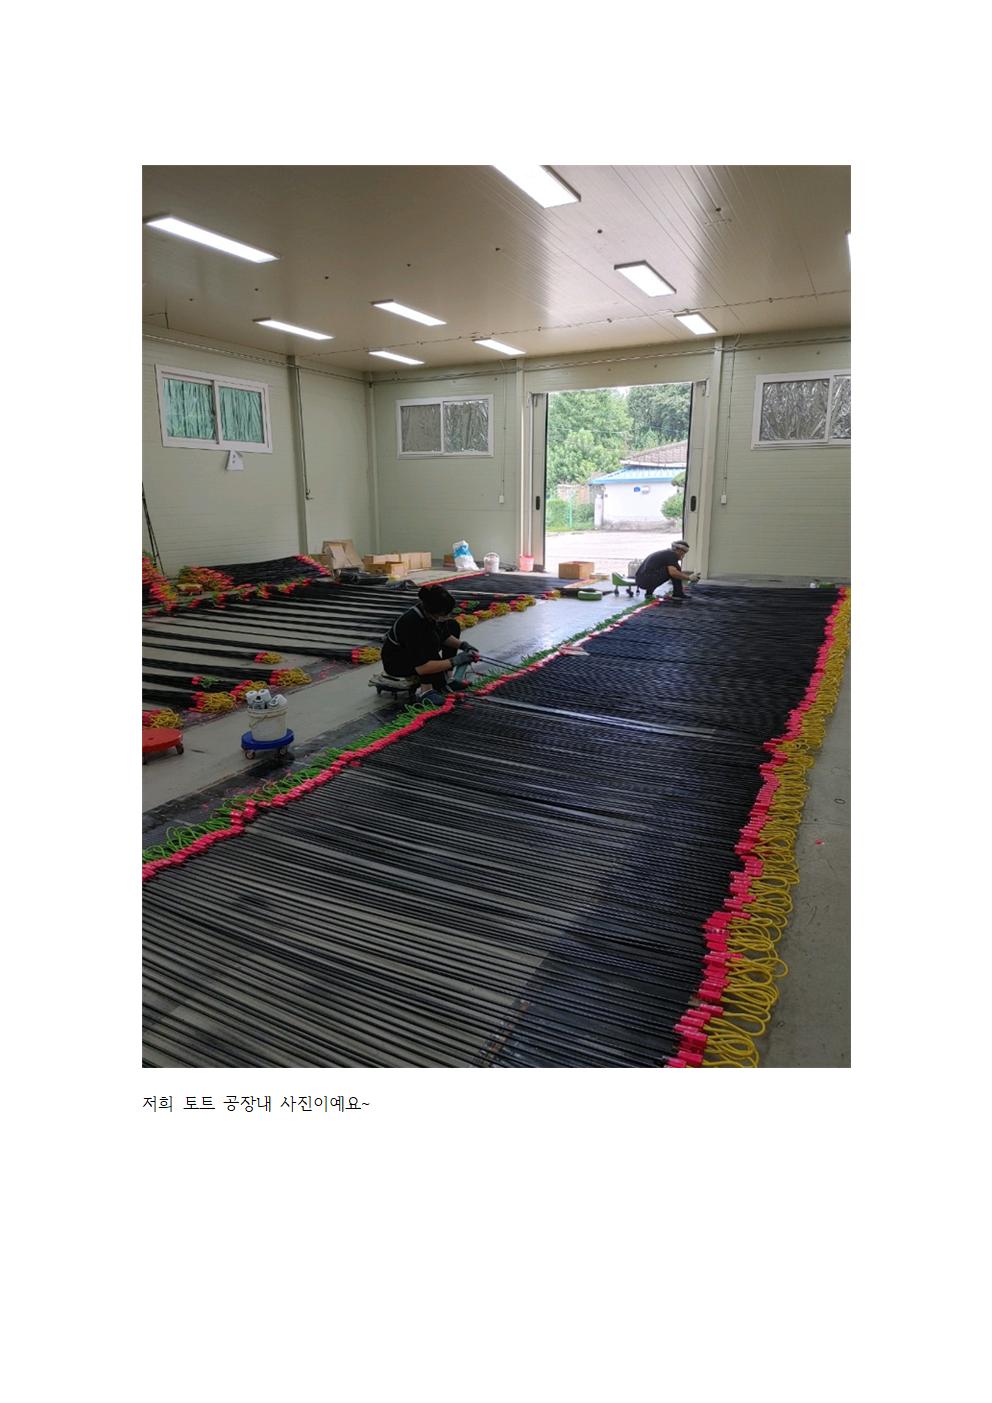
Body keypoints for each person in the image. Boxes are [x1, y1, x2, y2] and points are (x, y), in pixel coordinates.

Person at [380, 584, 479, 703]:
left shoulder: (429, 615)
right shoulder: (412, 624)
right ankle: (426, 691)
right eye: (444, 614)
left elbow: (445, 637)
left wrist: (465, 646)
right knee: (430, 641)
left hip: (420, 654)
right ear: (433, 611)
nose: (447, 616)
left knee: (452, 625)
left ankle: (448, 679)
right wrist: (456, 660)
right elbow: (422, 668)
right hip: (398, 663)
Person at [634, 540, 700, 602]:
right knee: (675, 570)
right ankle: (678, 594)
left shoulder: (667, 553)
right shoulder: (671, 554)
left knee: (673, 568)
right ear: (679, 550)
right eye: (684, 552)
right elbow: (673, 573)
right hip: (645, 580)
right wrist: (689, 578)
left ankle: (649, 594)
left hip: (640, 580)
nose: (684, 555)